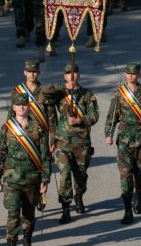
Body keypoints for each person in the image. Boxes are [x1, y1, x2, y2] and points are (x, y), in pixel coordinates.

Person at [0, 93, 51, 246]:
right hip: (12, 179)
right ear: (13, 107)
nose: (22, 107)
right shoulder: (7, 128)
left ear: (29, 107)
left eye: (24, 105)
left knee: (29, 214)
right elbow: (0, 154)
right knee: (13, 214)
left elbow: (45, 155)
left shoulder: (38, 128)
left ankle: (27, 242)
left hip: (32, 178)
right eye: (18, 105)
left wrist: (45, 179)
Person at [104, 63, 141, 225]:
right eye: (128, 73)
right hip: (124, 141)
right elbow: (112, 115)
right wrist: (108, 133)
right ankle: (127, 210)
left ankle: (139, 194)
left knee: (140, 173)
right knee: (125, 174)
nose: (130, 76)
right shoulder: (119, 93)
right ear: (124, 74)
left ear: (139, 75)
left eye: (134, 73)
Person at [42, 63, 99, 223]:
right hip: (63, 141)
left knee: (81, 176)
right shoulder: (60, 93)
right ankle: (65, 208)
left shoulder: (87, 94)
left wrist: (81, 120)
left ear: (79, 74)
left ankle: (79, 195)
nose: (72, 76)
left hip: (82, 142)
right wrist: (59, 87)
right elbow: (43, 93)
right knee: (65, 173)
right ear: (64, 76)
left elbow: (94, 116)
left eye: (74, 72)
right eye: (68, 74)